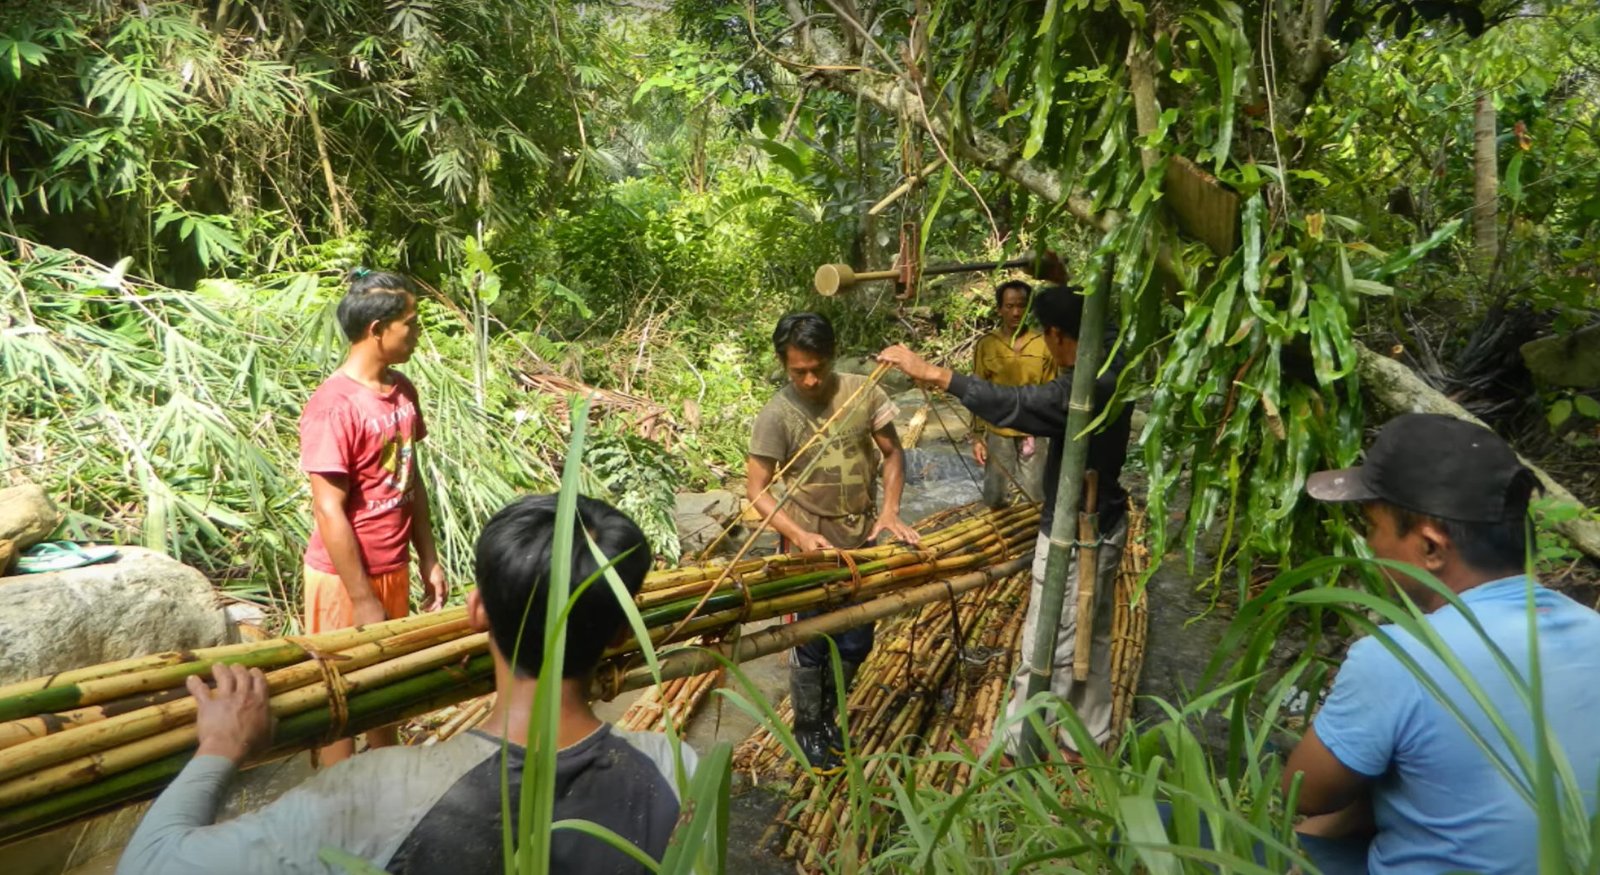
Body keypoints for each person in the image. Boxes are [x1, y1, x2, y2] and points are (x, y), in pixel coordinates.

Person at [116, 494, 696, 875]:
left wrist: (221, 749)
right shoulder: (678, 771)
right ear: (623, 632)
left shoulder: (376, 794)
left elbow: (149, 865)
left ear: (476, 612)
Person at [1283, 413, 1600, 874]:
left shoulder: (1399, 656)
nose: (1371, 546)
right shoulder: (1591, 630)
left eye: (1374, 527)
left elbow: (1305, 792)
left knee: (1177, 829)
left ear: (1431, 547)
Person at [877, 285, 1133, 758]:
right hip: (1106, 518)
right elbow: (1103, 320)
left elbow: (1016, 405)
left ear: (1056, 336)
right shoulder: (1115, 355)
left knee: (1046, 638)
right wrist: (1060, 278)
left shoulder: (1084, 387)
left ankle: (1018, 744)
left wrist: (933, 373)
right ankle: (1087, 737)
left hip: (1076, 530)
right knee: (1091, 635)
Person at [747, 312, 920, 770]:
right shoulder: (777, 414)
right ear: (784, 365)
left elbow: (892, 451)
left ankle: (832, 715)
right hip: (810, 545)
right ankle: (809, 728)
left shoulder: (863, 392)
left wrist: (889, 512)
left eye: (817, 367)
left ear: (832, 355)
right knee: (810, 637)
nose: (809, 379)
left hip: (862, 535)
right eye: (797, 370)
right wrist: (800, 534)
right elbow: (757, 489)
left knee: (857, 637)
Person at [298, 269, 448, 766]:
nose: (418, 330)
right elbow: (328, 508)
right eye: (412, 321)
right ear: (378, 330)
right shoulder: (332, 407)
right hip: (344, 579)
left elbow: (411, 479)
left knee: (387, 688)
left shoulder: (401, 390)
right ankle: (337, 805)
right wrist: (362, 598)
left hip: (392, 567)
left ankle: (386, 788)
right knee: (340, 698)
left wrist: (428, 558)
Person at [971, 279, 1056, 507]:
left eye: (1021, 305)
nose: (1016, 312)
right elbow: (978, 391)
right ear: (1000, 309)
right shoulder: (987, 345)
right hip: (999, 429)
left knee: (1036, 495)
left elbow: (1052, 389)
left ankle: (1031, 539)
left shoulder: (1043, 343)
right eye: (1009, 306)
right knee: (994, 495)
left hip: (1034, 429)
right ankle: (1000, 535)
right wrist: (978, 436)